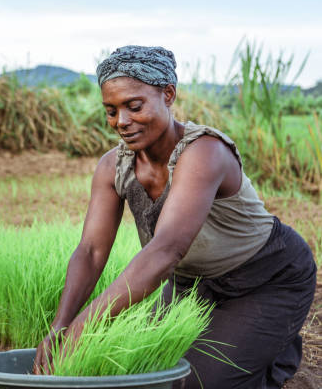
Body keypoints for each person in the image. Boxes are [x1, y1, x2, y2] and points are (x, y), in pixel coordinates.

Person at [32, 45, 317, 389]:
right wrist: (61, 327)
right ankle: (258, 341)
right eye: (111, 111)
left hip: (266, 278)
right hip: (191, 285)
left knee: (193, 383)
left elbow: (166, 250)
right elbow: (91, 251)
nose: (121, 122)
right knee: (138, 365)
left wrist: (83, 328)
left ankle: (273, 346)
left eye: (134, 106)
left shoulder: (204, 153)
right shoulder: (113, 166)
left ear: (168, 94)